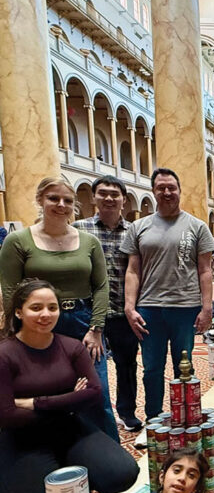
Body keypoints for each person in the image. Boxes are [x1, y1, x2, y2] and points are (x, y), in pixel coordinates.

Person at [0, 279, 139, 493]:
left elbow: (93, 394)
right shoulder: (5, 354)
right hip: (22, 439)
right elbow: (6, 416)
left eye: (52, 307)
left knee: (122, 473)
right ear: (18, 311)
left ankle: (63, 470)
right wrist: (67, 401)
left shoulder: (71, 346)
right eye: (36, 307)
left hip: (69, 429)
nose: (45, 314)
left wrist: (33, 403)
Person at [0, 176, 118, 441]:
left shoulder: (89, 242)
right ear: (40, 200)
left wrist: (96, 328)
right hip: (35, 323)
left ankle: (107, 461)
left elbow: (101, 286)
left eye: (67, 200)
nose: (61, 204)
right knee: (42, 390)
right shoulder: (18, 241)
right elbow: (10, 291)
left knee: (95, 395)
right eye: (53, 198)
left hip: (82, 321)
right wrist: (16, 331)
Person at [121, 168, 214, 421]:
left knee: (184, 365)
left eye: (171, 187)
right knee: (152, 368)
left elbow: (205, 270)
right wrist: (129, 307)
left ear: (179, 190)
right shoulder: (138, 227)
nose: (166, 192)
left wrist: (207, 308)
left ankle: (186, 416)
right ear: (153, 191)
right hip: (149, 308)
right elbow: (132, 270)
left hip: (185, 308)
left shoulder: (197, 226)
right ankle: (153, 417)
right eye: (161, 187)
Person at [73, 177, 142, 433]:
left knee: (127, 365)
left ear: (124, 199)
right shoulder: (79, 228)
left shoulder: (133, 231)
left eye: (115, 194)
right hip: (88, 313)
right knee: (89, 368)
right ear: (94, 198)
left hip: (124, 311)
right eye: (103, 193)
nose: (109, 198)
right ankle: (94, 420)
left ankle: (126, 412)